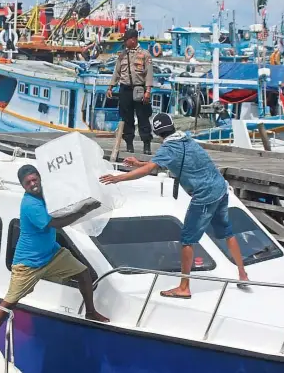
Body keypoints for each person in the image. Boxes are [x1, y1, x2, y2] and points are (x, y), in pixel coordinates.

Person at [99, 113, 248, 298]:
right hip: (220, 188)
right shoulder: (187, 140)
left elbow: (149, 170)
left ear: (155, 132)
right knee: (227, 232)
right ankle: (243, 274)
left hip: (204, 195)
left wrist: (117, 178)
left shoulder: (168, 147)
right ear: (172, 126)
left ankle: (184, 287)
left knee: (187, 239)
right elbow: (164, 163)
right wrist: (139, 163)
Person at [0, 165, 109, 340]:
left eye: (35, 179)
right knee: (10, 302)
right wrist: (84, 210)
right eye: (28, 182)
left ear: (40, 178)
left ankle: (90, 312)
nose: (33, 184)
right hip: (28, 262)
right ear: (23, 186)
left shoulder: (46, 193)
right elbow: (56, 224)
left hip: (51, 254)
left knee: (83, 273)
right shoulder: (30, 204)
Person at [107, 28, 154, 155]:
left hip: (139, 88)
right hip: (125, 89)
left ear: (133, 40)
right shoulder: (122, 55)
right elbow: (116, 73)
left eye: (126, 40)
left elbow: (149, 74)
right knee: (127, 118)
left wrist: (148, 91)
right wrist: (111, 87)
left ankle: (146, 144)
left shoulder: (145, 54)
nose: (125, 43)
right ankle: (129, 143)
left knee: (143, 117)